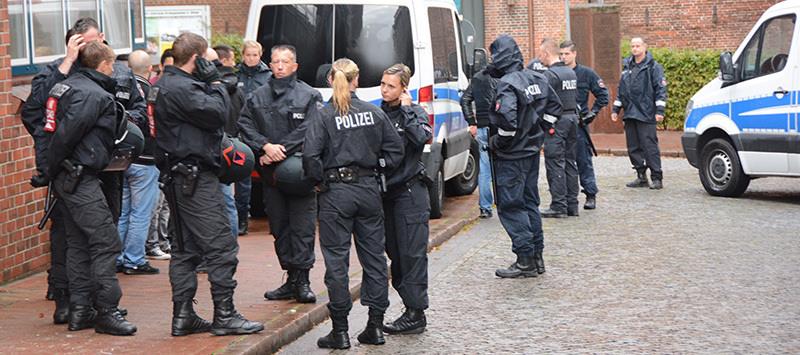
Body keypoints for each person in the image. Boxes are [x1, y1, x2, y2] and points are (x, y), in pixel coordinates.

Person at [20, 17, 145, 323]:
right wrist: (49, 167)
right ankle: (75, 302)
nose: (92, 46)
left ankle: (85, 304)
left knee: (92, 235)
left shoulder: (116, 72)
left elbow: (137, 109)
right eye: (84, 42)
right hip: (75, 169)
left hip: (108, 168)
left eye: (95, 40)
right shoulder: (61, 74)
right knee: (77, 237)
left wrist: (120, 124)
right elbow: (41, 118)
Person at [152, 32, 263, 337]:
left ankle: (183, 315)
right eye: (208, 60)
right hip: (195, 179)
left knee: (185, 249)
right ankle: (225, 316)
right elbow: (218, 115)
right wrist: (215, 83)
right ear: (198, 59)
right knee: (221, 247)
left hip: (177, 177)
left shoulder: (163, 84)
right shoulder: (183, 88)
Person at [303, 58, 404, 349]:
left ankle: (341, 330)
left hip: (336, 193)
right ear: (357, 80)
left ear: (330, 80)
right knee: (373, 259)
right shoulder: (373, 113)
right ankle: (375, 326)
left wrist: (320, 180)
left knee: (337, 260)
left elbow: (310, 157)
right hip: (368, 190)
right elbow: (394, 151)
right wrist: (377, 169)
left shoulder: (323, 115)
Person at [46, 41, 137, 335]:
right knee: (106, 242)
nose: (114, 69)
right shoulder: (93, 94)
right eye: (111, 64)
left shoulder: (67, 86)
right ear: (102, 65)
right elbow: (65, 136)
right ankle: (107, 312)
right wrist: (52, 167)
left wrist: (50, 170)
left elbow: (48, 129)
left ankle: (81, 311)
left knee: (78, 244)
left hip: (69, 176)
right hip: (79, 177)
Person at [239, 44, 323, 303]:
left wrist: (281, 150)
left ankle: (303, 280)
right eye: (275, 61)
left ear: (295, 65)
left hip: (299, 174)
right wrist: (264, 146)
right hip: (270, 174)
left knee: (303, 227)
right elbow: (244, 124)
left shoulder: (310, 96)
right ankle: (290, 277)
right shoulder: (256, 96)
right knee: (279, 227)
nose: (279, 66)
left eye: (285, 62)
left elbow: (311, 129)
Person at [488, 35, 561, 278]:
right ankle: (536, 257)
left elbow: (507, 121)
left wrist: (498, 141)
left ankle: (525, 259)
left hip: (511, 157)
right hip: (530, 152)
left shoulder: (507, 84)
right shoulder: (538, 77)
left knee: (511, 206)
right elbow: (554, 108)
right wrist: (540, 131)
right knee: (530, 202)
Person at [379, 64, 433, 334]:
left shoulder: (413, 113)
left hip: (410, 194)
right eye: (383, 84)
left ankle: (416, 312)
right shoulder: (378, 114)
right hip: (387, 195)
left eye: (391, 86)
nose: (384, 89)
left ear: (403, 89)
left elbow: (423, 137)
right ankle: (409, 305)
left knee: (412, 255)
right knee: (396, 255)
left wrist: (408, 109)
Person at [116, 49, 162, 274]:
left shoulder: (119, 88)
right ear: (150, 69)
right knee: (141, 213)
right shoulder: (150, 92)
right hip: (145, 160)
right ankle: (134, 259)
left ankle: (116, 256)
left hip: (120, 160)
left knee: (123, 211)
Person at [558, 40, 609, 210]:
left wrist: (592, 113)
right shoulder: (556, 73)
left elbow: (603, 95)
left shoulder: (586, 73)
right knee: (563, 161)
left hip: (579, 124)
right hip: (561, 123)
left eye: (567, 54)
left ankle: (590, 193)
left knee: (583, 160)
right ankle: (566, 196)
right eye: (561, 54)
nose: (564, 57)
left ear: (574, 54)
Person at [611, 37, 667, 190]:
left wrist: (659, 111)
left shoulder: (654, 67)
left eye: (637, 46)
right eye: (632, 46)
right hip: (630, 113)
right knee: (633, 147)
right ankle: (641, 176)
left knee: (649, 146)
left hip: (646, 113)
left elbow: (660, 90)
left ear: (645, 47)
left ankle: (657, 177)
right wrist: (616, 109)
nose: (635, 49)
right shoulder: (627, 66)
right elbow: (622, 90)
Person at [538, 38, 580, 218]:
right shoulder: (570, 72)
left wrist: (544, 125)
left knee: (555, 162)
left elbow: (544, 102)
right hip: (572, 120)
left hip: (557, 122)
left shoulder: (549, 75)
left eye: (541, 54)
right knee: (570, 161)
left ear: (547, 53)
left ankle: (558, 205)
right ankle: (572, 204)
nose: (540, 58)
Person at [234, 40, 272, 235]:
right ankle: (242, 220)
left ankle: (273, 217)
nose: (251, 58)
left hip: (261, 133)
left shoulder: (268, 77)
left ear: (260, 55)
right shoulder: (235, 75)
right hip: (241, 134)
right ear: (243, 55)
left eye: (255, 55)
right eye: (248, 55)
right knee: (242, 180)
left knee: (269, 178)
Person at [205, 47, 240, 238]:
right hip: (228, 145)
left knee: (223, 200)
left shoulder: (211, 88)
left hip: (220, 147)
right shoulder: (232, 86)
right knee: (227, 201)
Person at [460, 63, 502, 219]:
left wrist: (471, 122)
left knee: (484, 169)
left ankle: (485, 207)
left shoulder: (477, 78)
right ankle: (503, 202)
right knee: (503, 166)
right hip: (500, 127)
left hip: (483, 126)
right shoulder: (504, 76)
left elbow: (464, 100)